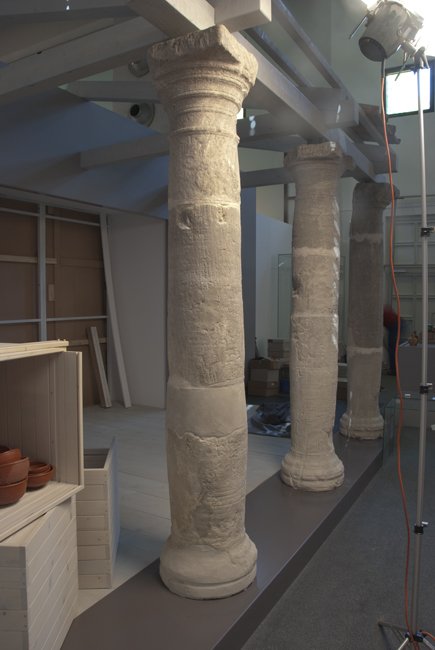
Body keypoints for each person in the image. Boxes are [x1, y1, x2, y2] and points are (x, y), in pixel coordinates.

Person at [383, 304, 398, 375]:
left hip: (395, 324)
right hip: (394, 324)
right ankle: (394, 369)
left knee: (392, 349)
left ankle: (394, 370)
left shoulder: (379, 313)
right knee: (393, 349)